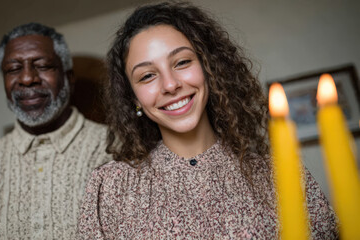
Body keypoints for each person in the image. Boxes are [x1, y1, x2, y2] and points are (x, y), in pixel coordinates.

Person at [77, 2, 338, 239]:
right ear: (133, 97)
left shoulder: (280, 175)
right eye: (147, 76)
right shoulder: (110, 188)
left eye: (181, 62)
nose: (170, 85)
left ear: (209, 69)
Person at [0, 23, 112, 239]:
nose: (26, 78)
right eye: (13, 69)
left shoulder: (116, 148)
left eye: (42, 66)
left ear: (69, 78)